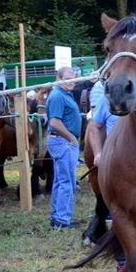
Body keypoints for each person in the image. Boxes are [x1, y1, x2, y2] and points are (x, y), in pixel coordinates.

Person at [88, 79, 127, 272]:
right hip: (117, 164)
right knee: (120, 215)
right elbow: (95, 126)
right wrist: (98, 153)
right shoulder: (107, 99)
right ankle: (122, 261)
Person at [45, 66, 82, 230]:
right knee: (67, 182)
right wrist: (71, 137)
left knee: (60, 180)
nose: (71, 82)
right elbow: (54, 122)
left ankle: (57, 218)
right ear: (59, 78)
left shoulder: (65, 94)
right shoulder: (57, 96)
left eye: (73, 78)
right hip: (63, 142)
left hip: (63, 141)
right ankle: (61, 220)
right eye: (67, 79)